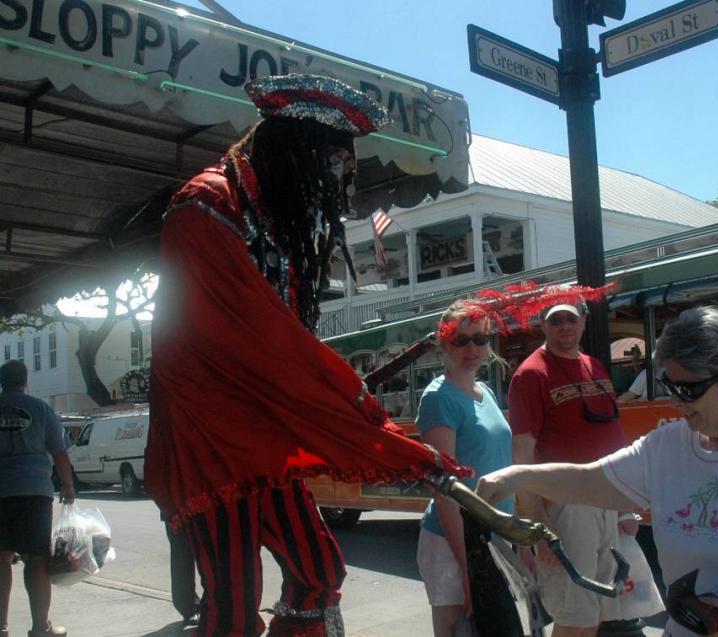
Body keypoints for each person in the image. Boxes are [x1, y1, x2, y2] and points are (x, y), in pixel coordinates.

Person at [144, 74, 465, 637]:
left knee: (319, 571)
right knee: (236, 607)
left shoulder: (275, 215)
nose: (335, 177)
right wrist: (356, 407)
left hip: (262, 433)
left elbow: (286, 335)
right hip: (210, 439)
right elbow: (262, 340)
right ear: (292, 150)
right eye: (329, 159)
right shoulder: (203, 206)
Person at [479, 306, 718, 637]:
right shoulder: (668, 446)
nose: (677, 402)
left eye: (690, 390)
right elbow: (586, 479)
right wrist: (516, 477)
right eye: (670, 386)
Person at [507, 301, 651, 637]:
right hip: (565, 507)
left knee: (598, 612)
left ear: (583, 322)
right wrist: (536, 524)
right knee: (575, 615)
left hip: (606, 501)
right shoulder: (531, 374)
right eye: (555, 321)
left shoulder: (594, 366)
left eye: (570, 319)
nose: (564, 328)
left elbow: (609, 437)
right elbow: (522, 452)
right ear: (542, 325)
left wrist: (625, 505)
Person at [415, 301, 515, 637]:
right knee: (456, 629)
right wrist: (469, 569)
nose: (472, 348)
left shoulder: (484, 390)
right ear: (444, 345)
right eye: (461, 341)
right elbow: (445, 494)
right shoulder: (438, 399)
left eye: (480, 339)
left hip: (493, 537)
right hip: (454, 542)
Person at [0, 359, 74, 637]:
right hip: (33, 491)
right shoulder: (41, 409)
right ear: (25, 380)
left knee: (1, 558)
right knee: (36, 560)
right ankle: (41, 627)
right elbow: (59, 452)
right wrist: (67, 486)